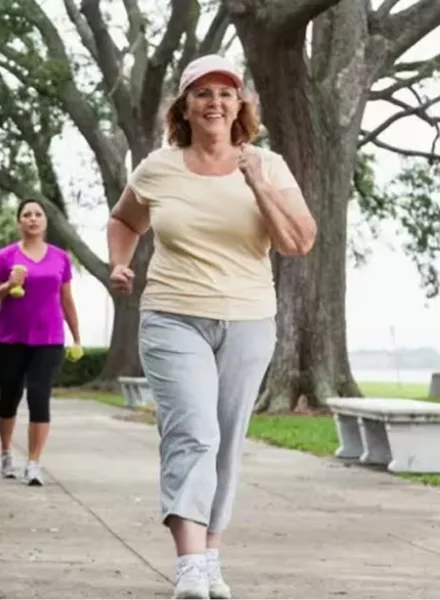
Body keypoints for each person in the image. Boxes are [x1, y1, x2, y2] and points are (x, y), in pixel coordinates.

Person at [106, 54, 317, 599]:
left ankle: (210, 558)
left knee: (226, 443)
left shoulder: (266, 166)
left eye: (226, 93)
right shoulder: (158, 166)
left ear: (240, 105)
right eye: (203, 93)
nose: (215, 102)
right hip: (173, 316)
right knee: (193, 434)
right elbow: (125, 219)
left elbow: (299, 242)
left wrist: (257, 184)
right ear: (185, 105)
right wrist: (119, 263)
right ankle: (189, 565)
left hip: (248, 320)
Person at [0, 198, 81, 486]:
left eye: (38, 214)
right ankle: (5, 452)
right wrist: (7, 285)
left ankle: (34, 463)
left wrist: (76, 335)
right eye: (27, 214)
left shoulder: (61, 258)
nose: (33, 219)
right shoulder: (4, 257)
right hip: (9, 339)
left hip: (48, 339)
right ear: (19, 222)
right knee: (9, 398)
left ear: (45, 221)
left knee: (39, 399)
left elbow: (66, 299)